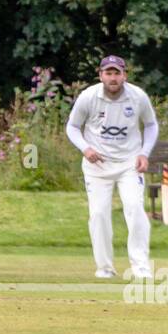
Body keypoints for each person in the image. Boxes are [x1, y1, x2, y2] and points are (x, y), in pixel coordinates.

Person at [66, 55, 159, 279]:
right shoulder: (89, 96)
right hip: (97, 165)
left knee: (135, 209)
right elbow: (72, 127)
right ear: (101, 75)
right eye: (108, 73)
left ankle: (141, 267)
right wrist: (85, 148)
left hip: (129, 163)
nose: (113, 77)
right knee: (98, 214)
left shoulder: (137, 97)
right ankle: (105, 268)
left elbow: (151, 124)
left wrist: (144, 153)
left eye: (117, 73)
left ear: (124, 75)